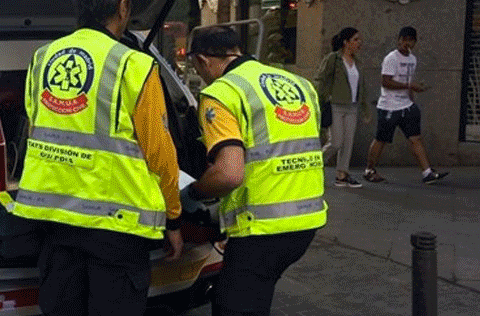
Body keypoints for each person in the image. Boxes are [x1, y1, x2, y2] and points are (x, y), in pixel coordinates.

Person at [12, 0, 183, 316]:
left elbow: (34, 127)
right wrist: (174, 218)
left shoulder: (43, 58)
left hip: (55, 221)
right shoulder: (134, 66)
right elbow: (160, 155)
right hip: (117, 229)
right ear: (123, 7)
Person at [180, 25, 327, 316]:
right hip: (307, 221)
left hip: (262, 229)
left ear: (202, 61)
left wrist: (193, 193)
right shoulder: (299, 83)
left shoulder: (221, 93)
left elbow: (229, 173)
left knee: (233, 307)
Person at [363, 26, 449, 184]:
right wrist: (410, 86)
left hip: (406, 105)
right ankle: (369, 169)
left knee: (415, 138)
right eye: (404, 40)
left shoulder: (412, 59)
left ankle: (427, 172)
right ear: (399, 40)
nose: (407, 44)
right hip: (389, 106)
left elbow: (409, 80)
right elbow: (385, 81)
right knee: (381, 139)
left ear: (415, 42)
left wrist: (412, 96)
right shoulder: (391, 58)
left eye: (411, 40)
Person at [314, 27, 370, 188]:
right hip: (335, 105)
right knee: (336, 142)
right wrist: (319, 100)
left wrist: (365, 109)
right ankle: (315, 163)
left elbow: (362, 87)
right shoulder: (334, 59)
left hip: (352, 106)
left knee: (348, 143)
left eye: (359, 40)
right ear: (346, 42)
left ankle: (342, 174)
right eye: (356, 40)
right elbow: (321, 79)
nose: (359, 43)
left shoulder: (358, 63)